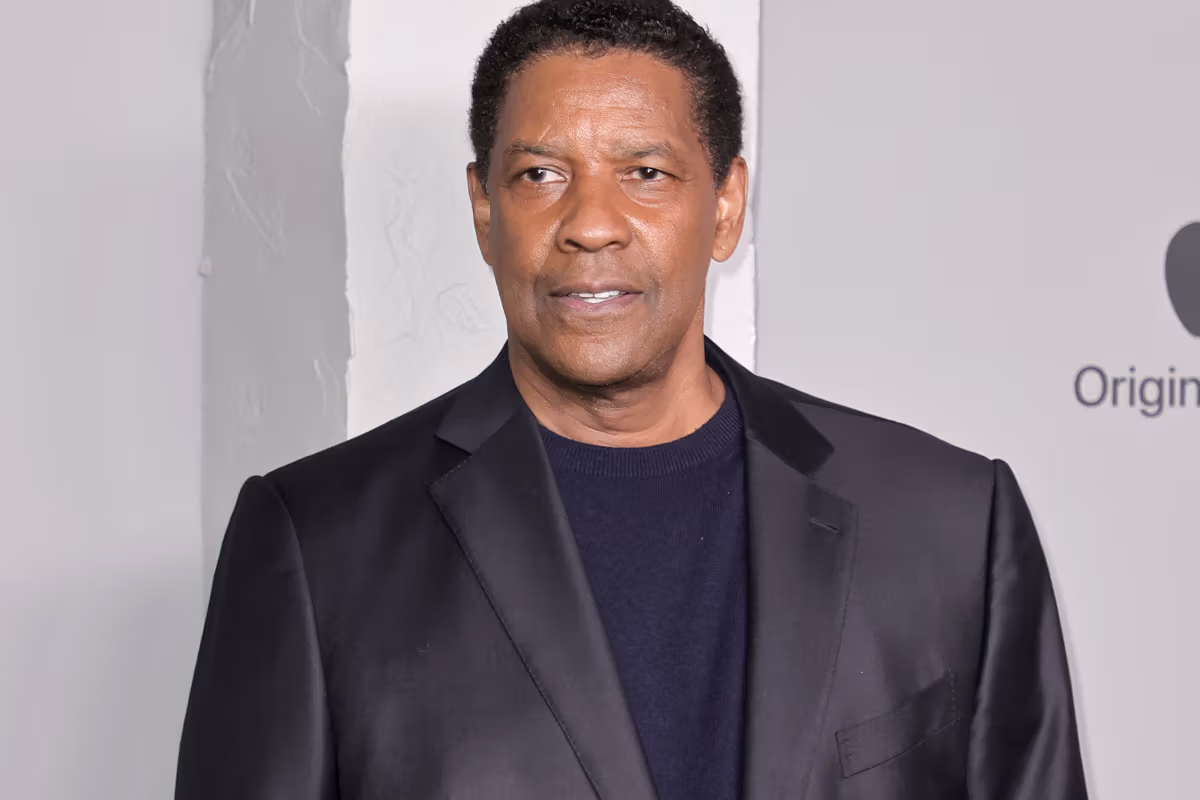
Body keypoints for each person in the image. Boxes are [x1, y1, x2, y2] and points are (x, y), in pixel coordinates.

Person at [175, 1, 1088, 798]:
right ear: (485, 212)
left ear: (725, 205)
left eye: (645, 172)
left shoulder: (952, 523)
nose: (591, 225)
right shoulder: (316, 543)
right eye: (540, 175)